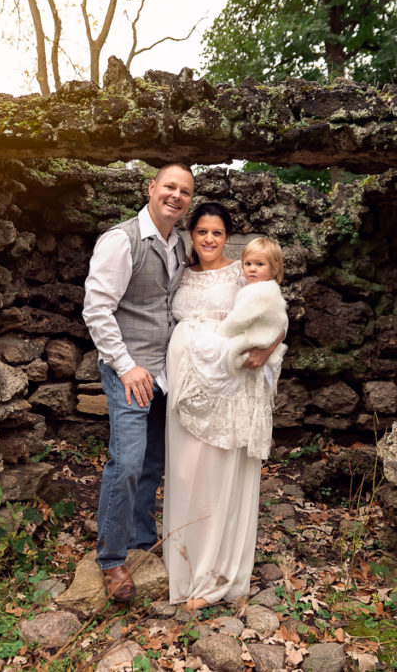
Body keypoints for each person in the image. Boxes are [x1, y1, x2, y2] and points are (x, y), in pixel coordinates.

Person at [82, 163, 194, 603]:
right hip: (129, 370)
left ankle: (143, 536)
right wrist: (126, 366)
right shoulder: (120, 239)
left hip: (166, 373)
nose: (176, 196)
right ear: (151, 188)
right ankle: (111, 559)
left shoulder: (179, 244)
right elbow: (96, 309)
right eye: (170, 186)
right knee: (126, 462)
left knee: (152, 462)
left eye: (185, 191)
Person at [164, 205, 285, 611]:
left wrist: (265, 350)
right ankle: (183, 565)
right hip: (186, 385)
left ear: (227, 236)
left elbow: (276, 318)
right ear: (191, 234)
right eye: (202, 232)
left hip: (227, 388)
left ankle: (216, 576)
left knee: (218, 474)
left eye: (217, 232)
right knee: (184, 473)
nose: (209, 239)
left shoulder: (244, 272)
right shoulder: (179, 273)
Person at [169, 236, 287, 460]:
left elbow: (260, 321)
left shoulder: (257, 287)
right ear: (191, 234)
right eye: (249, 264)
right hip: (190, 363)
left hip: (240, 355)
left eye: (259, 265)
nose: (252, 269)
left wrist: (221, 335)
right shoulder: (179, 271)